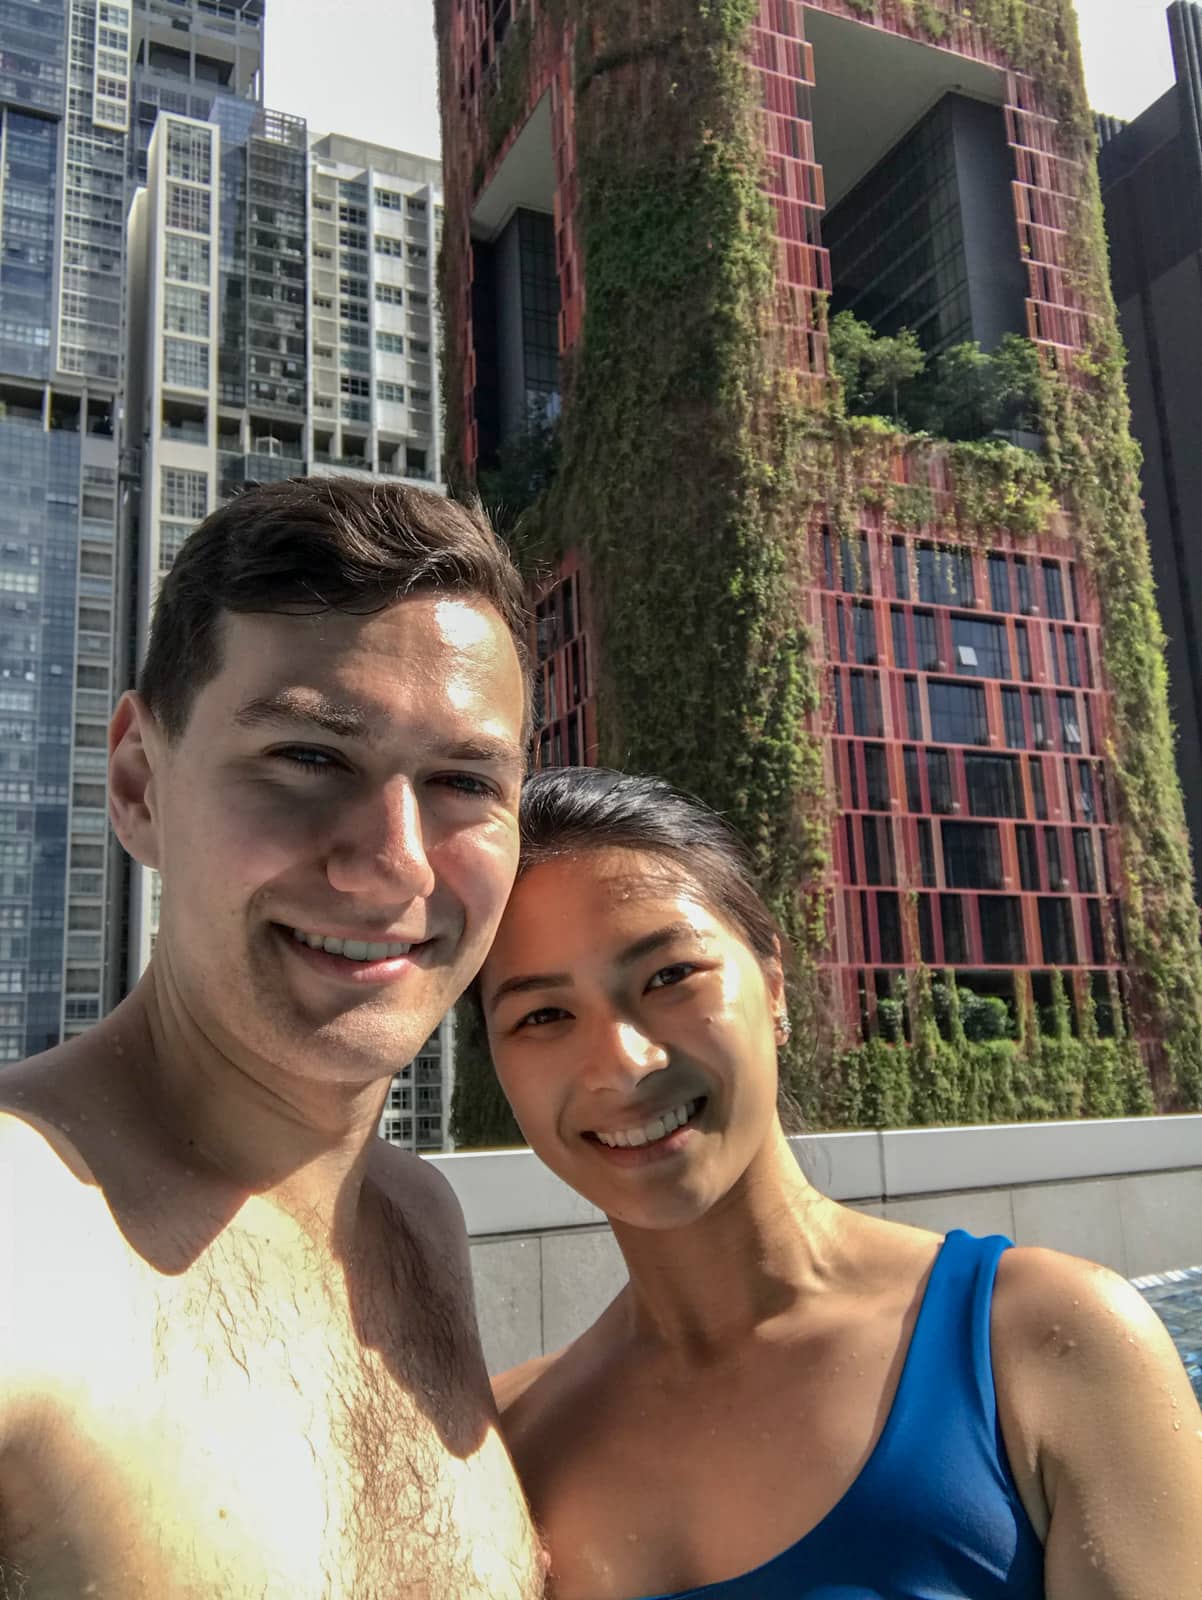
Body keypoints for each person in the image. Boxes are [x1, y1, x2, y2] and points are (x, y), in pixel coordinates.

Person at [0, 479, 545, 1599]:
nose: (393, 862)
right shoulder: (26, 1225)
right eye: (307, 756)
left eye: (461, 781)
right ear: (140, 782)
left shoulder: (417, 1223)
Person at [479, 765, 1202, 1600]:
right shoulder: (502, 1450)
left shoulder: (1044, 1343)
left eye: (670, 976)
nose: (622, 1064)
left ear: (775, 986)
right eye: (541, 1016)